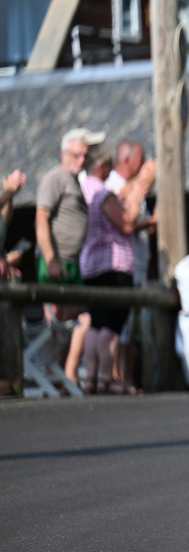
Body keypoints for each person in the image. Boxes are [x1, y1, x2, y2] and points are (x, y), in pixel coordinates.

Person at [78, 147, 152, 394]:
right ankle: (106, 377)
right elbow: (126, 224)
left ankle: (91, 377)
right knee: (112, 324)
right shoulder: (103, 194)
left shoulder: (83, 191)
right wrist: (135, 201)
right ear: (101, 168)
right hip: (113, 264)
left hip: (91, 265)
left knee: (96, 322)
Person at [36, 128, 105, 385]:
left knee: (73, 321)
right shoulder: (54, 179)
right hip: (56, 260)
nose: (82, 160)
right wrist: (50, 259)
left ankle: (62, 377)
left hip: (72, 262)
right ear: (64, 154)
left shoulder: (74, 181)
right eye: (77, 155)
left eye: (85, 155)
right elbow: (41, 219)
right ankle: (54, 374)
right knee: (58, 324)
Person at [106, 141, 157, 387]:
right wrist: (147, 176)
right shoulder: (112, 185)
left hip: (139, 262)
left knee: (133, 327)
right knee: (123, 325)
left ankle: (127, 378)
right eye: (141, 159)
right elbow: (124, 223)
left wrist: (150, 223)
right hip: (123, 264)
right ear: (128, 159)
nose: (144, 164)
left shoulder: (134, 187)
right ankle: (119, 378)